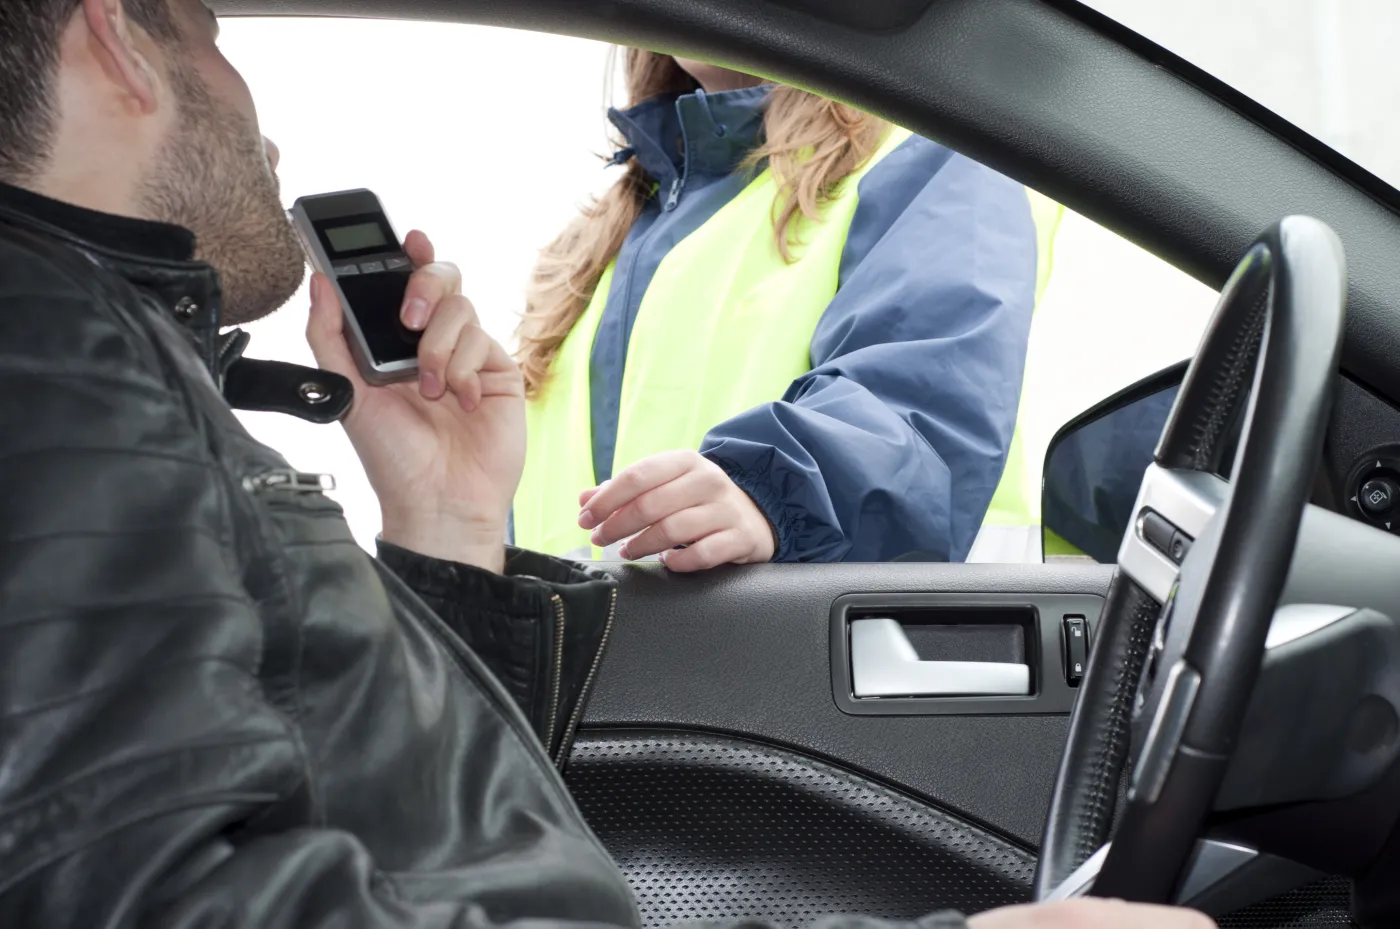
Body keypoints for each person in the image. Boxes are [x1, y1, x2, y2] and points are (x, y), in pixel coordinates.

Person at [0, 1, 1211, 927]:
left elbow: (403, 828)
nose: (256, 110)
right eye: (214, 31)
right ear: (118, 38)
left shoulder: (105, 368)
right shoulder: (51, 359)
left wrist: (447, 523)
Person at [512, 50, 1053, 570]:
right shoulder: (590, 252)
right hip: (617, 660)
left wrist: (772, 494)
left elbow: (926, 399)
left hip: (842, 659)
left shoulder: (932, 152)